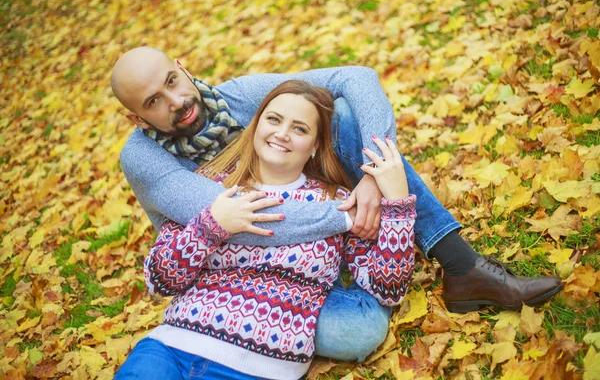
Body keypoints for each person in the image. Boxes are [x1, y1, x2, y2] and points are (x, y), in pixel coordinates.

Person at [111, 47, 562, 360]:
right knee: (357, 332)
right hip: (231, 278)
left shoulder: (235, 95)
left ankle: (462, 267)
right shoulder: (142, 158)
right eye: (154, 101)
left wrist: (372, 174)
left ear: (182, 67)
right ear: (136, 117)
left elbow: (355, 77)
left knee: (341, 118)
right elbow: (249, 219)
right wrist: (350, 211)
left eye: (173, 81)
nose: (178, 101)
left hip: (311, 246)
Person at [116, 80, 416, 379]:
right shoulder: (208, 186)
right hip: (168, 349)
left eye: (300, 128)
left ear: (314, 145)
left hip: (259, 369)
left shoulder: (337, 201)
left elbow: (387, 289)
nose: (282, 133)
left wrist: (398, 208)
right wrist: (209, 228)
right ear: (255, 126)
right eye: (273, 120)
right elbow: (159, 280)